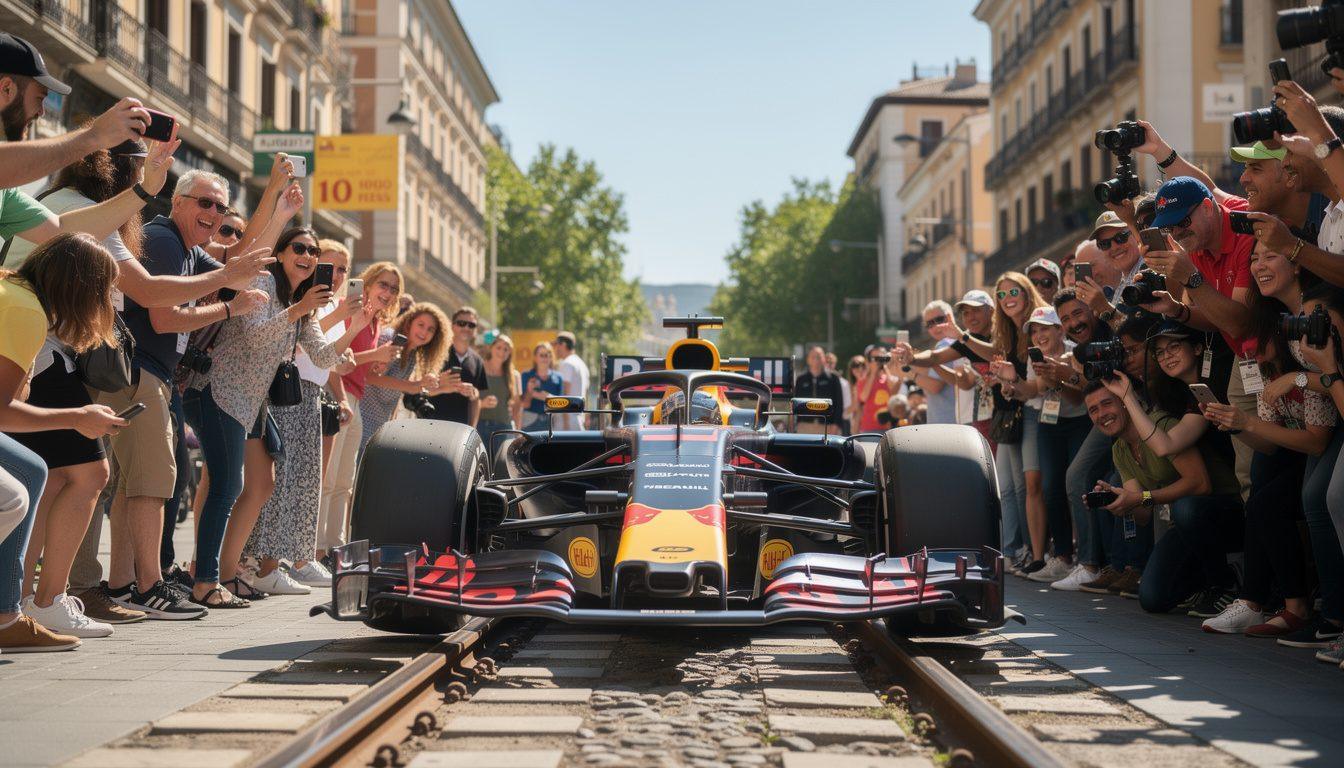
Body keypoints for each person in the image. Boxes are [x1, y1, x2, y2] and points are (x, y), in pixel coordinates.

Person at [96, 170, 270, 621]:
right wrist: (230, 307)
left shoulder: (189, 249)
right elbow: (164, 319)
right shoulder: (165, 239)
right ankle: (149, 587)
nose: (212, 214)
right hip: (141, 370)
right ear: (177, 202)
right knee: (153, 483)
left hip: (152, 373)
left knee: (138, 483)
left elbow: (240, 268)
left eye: (219, 207)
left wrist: (277, 201)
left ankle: (122, 584)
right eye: (203, 203)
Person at [183, 224, 366, 608]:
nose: (308, 257)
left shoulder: (303, 299)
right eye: (299, 248)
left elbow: (322, 357)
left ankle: (228, 575)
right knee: (226, 486)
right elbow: (254, 336)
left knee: (262, 484)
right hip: (219, 392)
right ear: (281, 253)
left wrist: (354, 328)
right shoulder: (263, 283)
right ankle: (205, 579)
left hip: (252, 403)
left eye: (314, 252)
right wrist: (299, 310)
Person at [0, 233, 128, 650]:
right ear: (80, 288)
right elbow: (1, 411)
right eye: (103, 290)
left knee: (37, 473)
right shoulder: (26, 311)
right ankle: (23, 607)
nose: (107, 301)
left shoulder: (17, 291)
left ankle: (15, 606)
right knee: (30, 487)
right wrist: (77, 417)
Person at [898, 275, 1048, 574]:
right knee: (1006, 487)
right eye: (965, 312)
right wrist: (913, 356)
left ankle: (1031, 551)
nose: (971, 316)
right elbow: (938, 356)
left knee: (1026, 486)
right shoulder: (970, 339)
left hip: (1025, 411)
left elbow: (989, 356)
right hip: (1000, 418)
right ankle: (1012, 550)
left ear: (991, 309)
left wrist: (962, 339)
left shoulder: (1000, 334)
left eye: (975, 310)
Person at [1080, 381, 1242, 613]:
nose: (1101, 414)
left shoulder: (1160, 425)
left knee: (1185, 509)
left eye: (1107, 403)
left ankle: (1227, 584)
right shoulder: (1119, 449)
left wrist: (1142, 497)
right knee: (1153, 598)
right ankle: (1204, 580)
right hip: (1188, 527)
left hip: (1227, 512)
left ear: (1126, 404)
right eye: (1093, 410)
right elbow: (1144, 514)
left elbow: (1200, 484)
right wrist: (1120, 501)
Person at [317, 261, 401, 558]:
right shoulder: (347, 308)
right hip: (337, 394)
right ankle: (315, 551)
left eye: (393, 288)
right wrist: (373, 355)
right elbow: (332, 354)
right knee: (328, 479)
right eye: (383, 284)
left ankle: (334, 549)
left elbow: (357, 359)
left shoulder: (377, 321)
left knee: (344, 481)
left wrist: (374, 360)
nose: (388, 292)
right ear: (367, 284)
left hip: (356, 398)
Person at [0, 33, 155, 187]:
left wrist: (146, 190)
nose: (41, 112)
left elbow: (56, 214)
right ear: (7, 89)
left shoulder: (7, 188)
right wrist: (95, 135)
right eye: (39, 98)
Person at [359, 302, 449, 452]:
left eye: (430, 329)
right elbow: (368, 377)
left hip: (380, 427)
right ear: (409, 323)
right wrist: (413, 386)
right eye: (420, 325)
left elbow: (396, 395)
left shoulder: (413, 355)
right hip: (361, 419)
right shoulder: (389, 339)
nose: (424, 332)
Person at [425, 306, 487, 427]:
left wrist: (472, 429)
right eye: (461, 323)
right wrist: (442, 387)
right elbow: (418, 390)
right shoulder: (435, 352)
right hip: (430, 424)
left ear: (475, 330)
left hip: (460, 431)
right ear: (452, 325)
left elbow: (477, 399)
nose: (466, 328)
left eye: (471, 325)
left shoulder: (478, 360)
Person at [914, 302, 968, 426]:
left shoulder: (945, 344)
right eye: (929, 324)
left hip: (947, 421)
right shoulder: (955, 343)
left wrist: (908, 370)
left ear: (950, 317)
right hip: (951, 420)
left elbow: (935, 385)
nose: (935, 326)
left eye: (939, 319)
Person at [478, 334, 521, 447]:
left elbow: (517, 405)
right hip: (480, 425)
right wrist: (482, 404)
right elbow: (468, 399)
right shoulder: (479, 369)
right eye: (499, 347)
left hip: (504, 428)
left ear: (510, 353)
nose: (502, 351)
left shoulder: (514, 375)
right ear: (491, 348)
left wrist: (518, 432)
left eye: (506, 349)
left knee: (501, 464)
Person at [794, 345, 846, 434]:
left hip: (828, 426)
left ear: (824, 359)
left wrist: (836, 425)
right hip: (804, 426)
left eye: (819, 356)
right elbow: (795, 403)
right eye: (813, 356)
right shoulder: (801, 379)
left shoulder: (833, 378)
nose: (816, 359)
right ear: (808, 359)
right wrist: (794, 424)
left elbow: (839, 404)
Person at [518, 342, 564, 431]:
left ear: (551, 357)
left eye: (547, 355)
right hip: (529, 422)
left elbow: (561, 405)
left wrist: (539, 395)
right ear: (535, 358)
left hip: (551, 423)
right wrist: (531, 392)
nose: (545, 358)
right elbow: (524, 404)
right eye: (541, 355)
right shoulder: (526, 375)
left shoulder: (558, 377)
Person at [553, 331, 590, 431]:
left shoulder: (567, 364)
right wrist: (586, 417)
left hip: (567, 420)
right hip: (577, 417)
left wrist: (565, 423)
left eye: (556, 344)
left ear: (563, 345)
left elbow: (565, 395)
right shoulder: (581, 364)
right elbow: (586, 394)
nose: (555, 348)